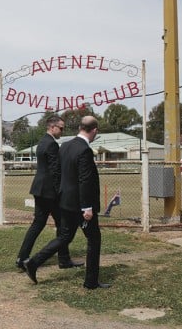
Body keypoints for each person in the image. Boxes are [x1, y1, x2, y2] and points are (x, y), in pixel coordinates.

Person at [24, 116, 110, 290]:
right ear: (94, 131)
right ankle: (91, 281)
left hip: (65, 202)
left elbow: (61, 173)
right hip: (80, 204)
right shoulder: (84, 150)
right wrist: (87, 207)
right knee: (94, 239)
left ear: (80, 127)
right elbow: (84, 180)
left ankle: (34, 262)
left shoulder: (65, 146)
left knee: (65, 237)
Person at [16, 115, 83, 270]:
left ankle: (22, 258)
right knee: (63, 226)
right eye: (61, 128)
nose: (62, 130)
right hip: (49, 193)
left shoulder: (42, 142)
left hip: (40, 190)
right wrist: (62, 191)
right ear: (52, 127)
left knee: (38, 225)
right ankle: (64, 260)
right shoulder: (52, 144)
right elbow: (55, 172)